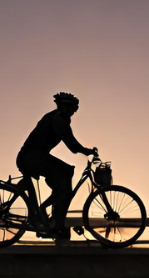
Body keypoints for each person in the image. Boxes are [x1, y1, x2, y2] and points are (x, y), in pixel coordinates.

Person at [17, 92, 96, 241]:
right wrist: (87, 151)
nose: (73, 112)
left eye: (75, 109)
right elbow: (72, 145)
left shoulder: (56, 118)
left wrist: (84, 150)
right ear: (65, 107)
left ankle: (50, 216)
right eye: (72, 109)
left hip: (32, 157)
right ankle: (56, 224)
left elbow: (71, 144)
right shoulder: (58, 120)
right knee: (65, 173)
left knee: (63, 178)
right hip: (32, 157)